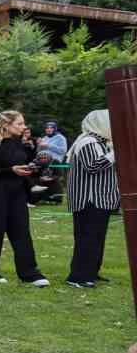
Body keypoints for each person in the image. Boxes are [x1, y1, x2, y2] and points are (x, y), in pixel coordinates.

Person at [0, 110, 49, 287]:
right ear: (6, 125)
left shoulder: (19, 144)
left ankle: (30, 273)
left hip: (17, 193)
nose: (24, 127)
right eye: (19, 123)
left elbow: (19, 166)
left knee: (22, 232)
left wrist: (31, 170)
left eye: (23, 123)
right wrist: (10, 170)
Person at [67, 109, 117, 288]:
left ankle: (91, 272)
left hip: (100, 198)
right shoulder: (88, 142)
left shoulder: (103, 143)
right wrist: (115, 153)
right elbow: (93, 166)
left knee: (97, 238)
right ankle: (78, 277)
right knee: (87, 239)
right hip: (89, 199)